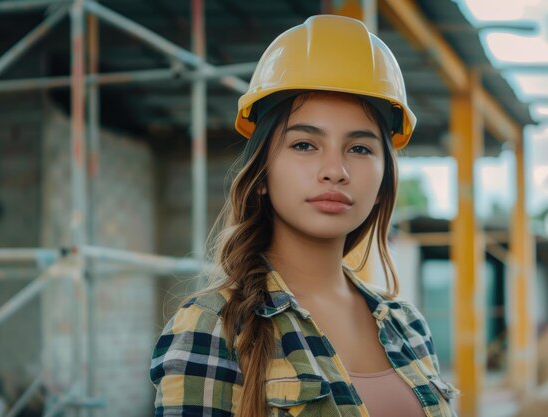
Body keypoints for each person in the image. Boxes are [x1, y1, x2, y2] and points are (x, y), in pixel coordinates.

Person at [150, 14, 459, 417]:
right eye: (304, 145)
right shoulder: (214, 326)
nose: (335, 169)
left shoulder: (408, 326)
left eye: (360, 149)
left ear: (384, 179)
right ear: (261, 174)